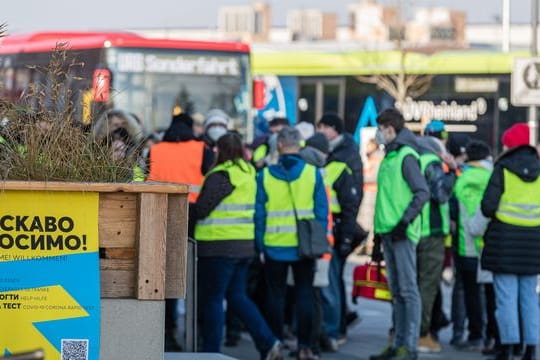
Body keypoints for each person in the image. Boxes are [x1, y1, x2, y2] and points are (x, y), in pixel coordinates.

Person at [193, 132, 282, 359]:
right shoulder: (249, 172)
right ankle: (268, 342)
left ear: (220, 151)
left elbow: (203, 209)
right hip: (243, 247)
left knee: (213, 299)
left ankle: (211, 352)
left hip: (217, 247)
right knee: (237, 297)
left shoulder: (221, 175)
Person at [255, 126, 328, 360]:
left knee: (275, 297)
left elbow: (259, 215)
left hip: (274, 245)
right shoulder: (313, 173)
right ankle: (305, 346)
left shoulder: (264, 175)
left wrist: (260, 245)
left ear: (278, 146)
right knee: (305, 295)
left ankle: (275, 344)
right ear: (301, 145)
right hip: (304, 247)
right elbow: (321, 213)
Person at [146, 112, 214, 351]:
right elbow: (212, 180)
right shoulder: (202, 149)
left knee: (163, 278)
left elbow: (145, 177)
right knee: (186, 277)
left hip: (158, 214)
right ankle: (190, 336)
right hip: (192, 217)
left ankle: (164, 332)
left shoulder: (156, 150)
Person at [370, 108, 429, 360]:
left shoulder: (405, 156)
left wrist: (404, 223)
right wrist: (377, 236)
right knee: (397, 292)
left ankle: (409, 347)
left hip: (402, 234)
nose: (378, 133)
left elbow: (422, 192)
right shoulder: (391, 156)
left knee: (407, 291)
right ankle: (398, 344)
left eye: (381, 128)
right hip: (389, 232)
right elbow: (386, 199)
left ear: (390, 129)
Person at [481, 123, 540, 360]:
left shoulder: (502, 169)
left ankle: (507, 346)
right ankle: (531, 348)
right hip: (534, 244)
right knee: (530, 298)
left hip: (504, 243)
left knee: (505, 298)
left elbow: (487, 207)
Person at [317, 112, 363, 341]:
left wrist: (345, 237)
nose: (321, 130)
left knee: (332, 282)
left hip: (337, 229)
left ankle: (334, 329)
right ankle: (340, 325)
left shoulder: (345, 156)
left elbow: (350, 201)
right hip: (333, 228)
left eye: (324, 126)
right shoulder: (335, 153)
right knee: (332, 280)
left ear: (335, 128)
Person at [415, 135, 456, 353]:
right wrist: (451, 171)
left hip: (412, 229)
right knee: (427, 286)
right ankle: (421, 334)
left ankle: (404, 331)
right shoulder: (430, 162)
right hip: (430, 231)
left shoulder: (408, 159)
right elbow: (441, 194)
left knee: (409, 286)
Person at [452, 140, 493, 352]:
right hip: (489, 244)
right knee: (491, 293)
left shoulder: (464, 178)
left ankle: (474, 335)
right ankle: (492, 337)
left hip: (466, 243)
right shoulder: (492, 176)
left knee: (470, 292)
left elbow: (457, 208)